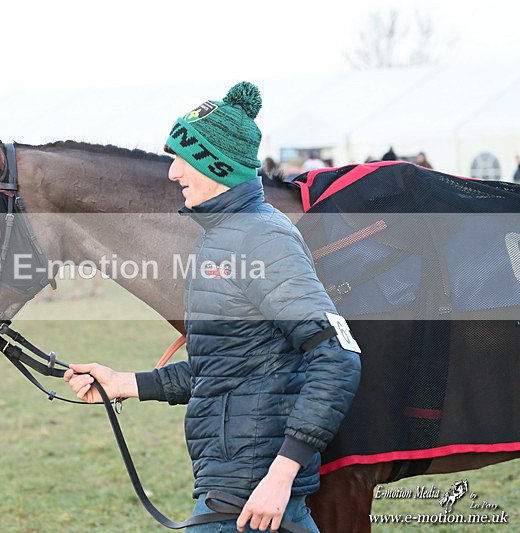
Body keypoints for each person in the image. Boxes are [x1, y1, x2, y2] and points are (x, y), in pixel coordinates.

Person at [63, 82, 361, 532]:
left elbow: (337, 356)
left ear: (214, 165)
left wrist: (281, 476)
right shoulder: (221, 238)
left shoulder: (260, 237)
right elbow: (223, 368)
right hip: (233, 488)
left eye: (182, 159)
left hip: (249, 495)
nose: (172, 173)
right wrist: (120, 382)